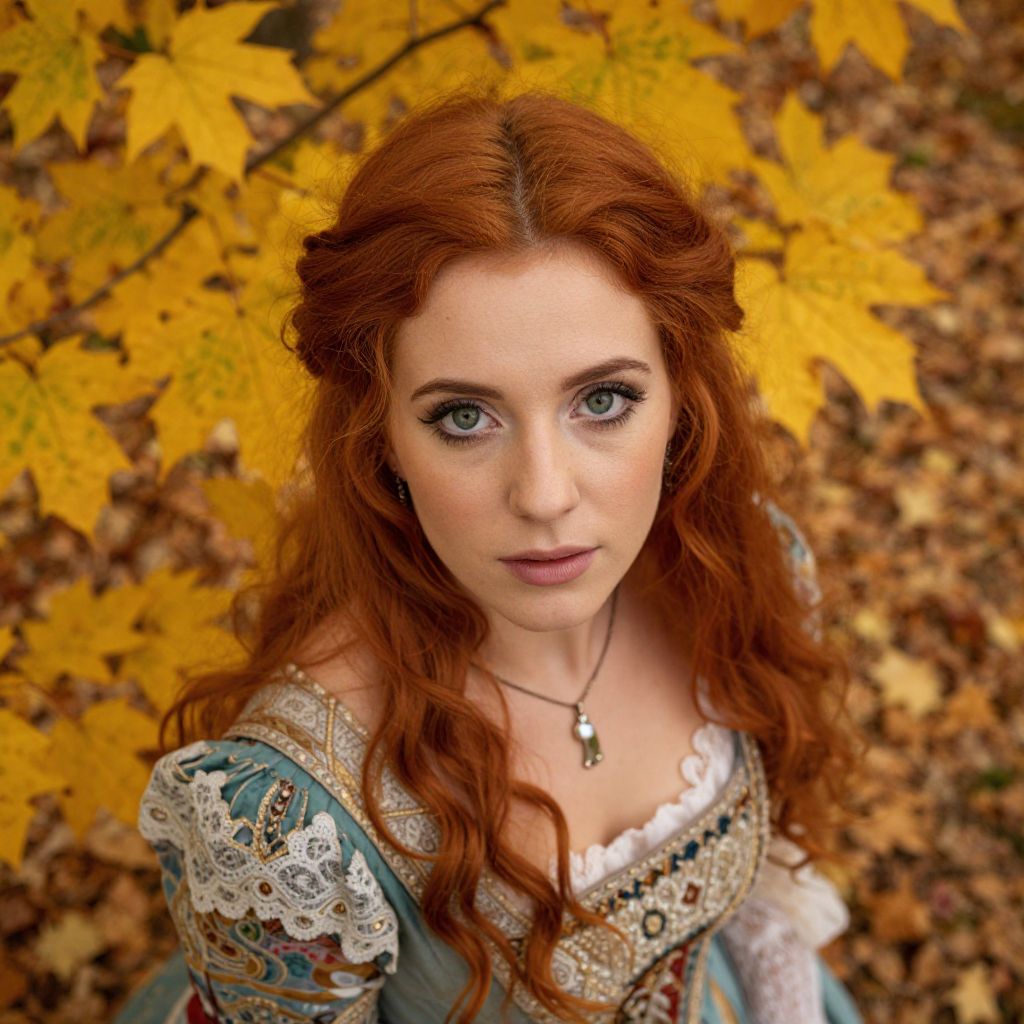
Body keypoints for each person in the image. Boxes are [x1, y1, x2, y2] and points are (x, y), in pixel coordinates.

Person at [122, 88, 868, 1024]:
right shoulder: (293, 825)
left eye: (603, 401)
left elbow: (761, 909)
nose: (546, 493)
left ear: (681, 397)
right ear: (380, 435)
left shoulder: (737, 576)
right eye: (464, 417)